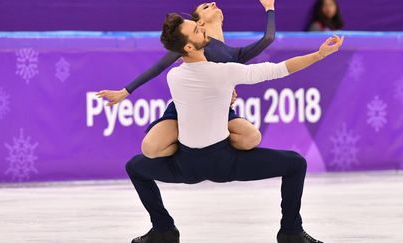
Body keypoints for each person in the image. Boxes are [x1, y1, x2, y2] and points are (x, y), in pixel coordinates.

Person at [125, 12, 344, 243]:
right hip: (225, 162)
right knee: (295, 164)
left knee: (135, 167)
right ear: (189, 47)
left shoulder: (174, 77)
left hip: (185, 165)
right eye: (197, 30)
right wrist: (320, 55)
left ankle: (164, 230)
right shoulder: (224, 72)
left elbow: (193, 94)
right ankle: (290, 233)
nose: (202, 28)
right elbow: (278, 69)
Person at [97, 1, 277, 158]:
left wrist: (269, 8)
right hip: (184, 111)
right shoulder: (192, 44)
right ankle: (188, 152)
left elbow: (268, 38)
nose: (213, 3)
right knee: (150, 149)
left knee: (251, 138)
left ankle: (210, 151)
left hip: (217, 113)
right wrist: (126, 91)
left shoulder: (233, 54)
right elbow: (159, 67)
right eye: (206, 6)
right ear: (199, 22)